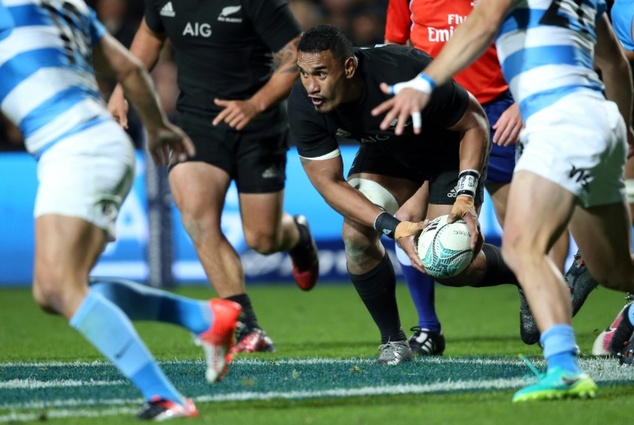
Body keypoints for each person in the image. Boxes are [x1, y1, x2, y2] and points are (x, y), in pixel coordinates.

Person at [372, 0, 633, 401]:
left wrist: (423, 84)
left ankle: (563, 367)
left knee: (521, 246)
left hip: (559, 121)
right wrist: (623, 127)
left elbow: (484, 21)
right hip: (600, 121)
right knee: (613, 270)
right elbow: (615, 66)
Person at [0, 0, 243, 420]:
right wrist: (158, 126)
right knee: (51, 290)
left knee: (61, 287)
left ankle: (165, 397)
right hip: (93, 141)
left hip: (76, 145)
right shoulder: (69, 7)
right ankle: (205, 316)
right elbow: (129, 68)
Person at [288, 24, 525, 365]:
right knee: (355, 234)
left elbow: (473, 122)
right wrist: (392, 225)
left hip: (446, 151)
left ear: (349, 68)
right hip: (389, 154)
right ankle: (393, 341)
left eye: (321, 74)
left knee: (450, 268)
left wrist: (466, 193)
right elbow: (329, 183)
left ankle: (527, 273)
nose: (311, 86)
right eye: (304, 73)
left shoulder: (403, 71)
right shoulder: (304, 103)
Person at [108, 0, 320, 354]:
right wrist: (121, 90)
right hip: (196, 124)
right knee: (196, 216)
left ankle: (296, 235)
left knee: (263, 238)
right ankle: (246, 326)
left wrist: (256, 103)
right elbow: (149, 36)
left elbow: (295, 56)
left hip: (257, 124)